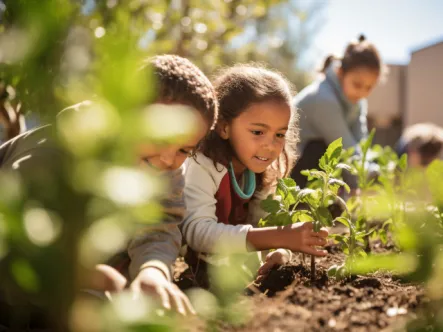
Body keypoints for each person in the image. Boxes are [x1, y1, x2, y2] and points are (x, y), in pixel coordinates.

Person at [0, 55, 218, 328]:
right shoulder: (57, 151)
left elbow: (159, 225)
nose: (168, 159)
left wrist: (154, 270)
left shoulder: (165, 169)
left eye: (185, 150)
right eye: (160, 137)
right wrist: (76, 273)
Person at [180, 64, 329, 289]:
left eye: (280, 134)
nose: (270, 146)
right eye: (258, 132)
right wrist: (279, 238)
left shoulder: (259, 171)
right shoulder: (202, 165)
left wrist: (279, 251)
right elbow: (198, 233)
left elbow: (264, 225)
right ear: (223, 127)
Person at [291, 34, 383, 188]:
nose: (362, 93)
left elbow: (361, 141)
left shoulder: (357, 102)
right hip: (291, 164)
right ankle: (301, 204)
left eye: (369, 87)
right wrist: (371, 175)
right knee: (324, 150)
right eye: (357, 84)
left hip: (312, 160)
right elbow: (345, 146)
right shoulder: (323, 99)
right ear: (340, 73)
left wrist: (373, 169)